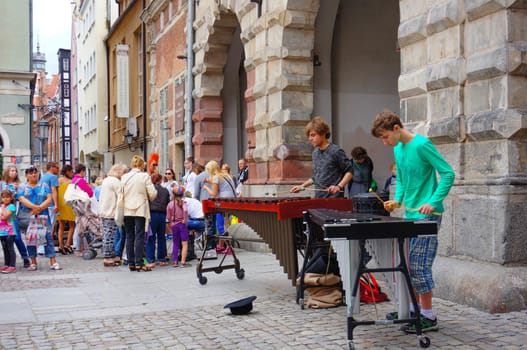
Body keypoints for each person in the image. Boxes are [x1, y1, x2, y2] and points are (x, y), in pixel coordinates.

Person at [371, 110, 455, 333]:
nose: (385, 142)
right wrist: (396, 200)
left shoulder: (422, 145)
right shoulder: (399, 149)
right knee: (408, 265)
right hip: (411, 215)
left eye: (385, 136)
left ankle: (428, 316)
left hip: (428, 215)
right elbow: (403, 180)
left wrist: (433, 201)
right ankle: (410, 310)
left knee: (420, 266)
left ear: (396, 128)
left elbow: (448, 174)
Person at [290, 116, 353, 198]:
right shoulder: (315, 153)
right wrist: (302, 186)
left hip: (334, 200)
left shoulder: (335, 151)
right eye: (309, 136)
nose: (310, 139)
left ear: (322, 133)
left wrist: (339, 186)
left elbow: (350, 171)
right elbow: (316, 177)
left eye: (313, 135)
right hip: (319, 199)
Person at [17, 166, 61, 271]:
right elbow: (21, 198)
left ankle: (53, 261)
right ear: (26, 175)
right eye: (31, 173)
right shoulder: (22, 186)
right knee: (30, 239)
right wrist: (34, 207)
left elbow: (49, 199)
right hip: (29, 215)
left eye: (35, 172)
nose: (33, 175)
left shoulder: (44, 185)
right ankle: (33, 262)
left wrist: (39, 208)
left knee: (47, 238)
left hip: (42, 214)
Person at [121, 155, 157, 272]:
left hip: (127, 209)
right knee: (139, 235)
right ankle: (139, 262)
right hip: (140, 208)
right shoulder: (144, 176)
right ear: (142, 165)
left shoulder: (124, 177)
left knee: (129, 235)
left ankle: (130, 262)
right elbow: (152, 194)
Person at [203, 160, 237, 253]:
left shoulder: (216, 177)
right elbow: (221, 185)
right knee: (226, 225)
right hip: (231, 201)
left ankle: (229, 247)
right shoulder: (225, 175)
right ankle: (221, 246)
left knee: (221, 226)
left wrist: (206, 188)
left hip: (222, 203)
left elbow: (214, 193)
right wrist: (209, 181)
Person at [0, 165, 30, 268]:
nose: (14, 173)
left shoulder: (20, 185)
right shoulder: (2, 184)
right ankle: (8, 262)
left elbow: (23, 197)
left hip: (14, 214)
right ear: (7, 172)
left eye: (15, 171)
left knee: (17, 237)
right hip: (3, 214)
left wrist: (16, 189)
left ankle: (25, 257)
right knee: (5, 240)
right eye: (12, 171)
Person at [99, 163, 127, 267]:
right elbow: (121, 195)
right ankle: (107, 257)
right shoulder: (115, 181)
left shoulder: (106, 180)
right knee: (109, 235)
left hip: (104, 210)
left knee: (109, 234)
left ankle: (112, 255)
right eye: (124, 172)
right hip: (111, 211)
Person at [146, 173, 171, 267]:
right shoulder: (165, 190)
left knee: (151, 237)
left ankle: (151, 259)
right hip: (162, 215)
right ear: (160, 180)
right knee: (161, 237)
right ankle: (162, 259)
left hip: (152, 214)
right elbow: (168, 203)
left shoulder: (149, 189)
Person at [167, 185, 190, 267]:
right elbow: (186, 210)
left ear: (173, 194)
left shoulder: (170, 204)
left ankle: (175, 261)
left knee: (175, 243)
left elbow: (168, 217)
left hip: (174, 225)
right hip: (182, 225)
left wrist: (170, 224)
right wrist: (185, 219)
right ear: (182, 194)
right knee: (184, 244)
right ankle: (183, 262)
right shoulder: (183, 203)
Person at [57, 164, 76, 255]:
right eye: (71, 171)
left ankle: (60, 245)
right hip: (68, 204)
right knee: (72, 225)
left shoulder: (58, 181)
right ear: (68, 172)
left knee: (61, 226)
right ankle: (68, 244)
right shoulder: (71, 182)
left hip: (60, 205)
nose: (72, 173)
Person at [0, 190, 18, 274]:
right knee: (5, 249)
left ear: (11, 198)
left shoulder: (11, 206)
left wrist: (3, 208)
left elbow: (5, 216)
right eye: (3, 197)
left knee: (10, 248)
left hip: (10, 232)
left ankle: (12, 265)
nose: (5, 199)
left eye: (7, 197)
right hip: (1, 231)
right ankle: (6, 264)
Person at [39, 162, 60, 232]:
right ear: (51, 167)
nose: (58, 170)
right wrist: (56, 204)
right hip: (51, 204)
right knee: (50, 225)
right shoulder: (53, 177)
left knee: (44, 224)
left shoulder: (43, 178)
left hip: (43, 203)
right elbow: (54, 190)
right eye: (57, 168)